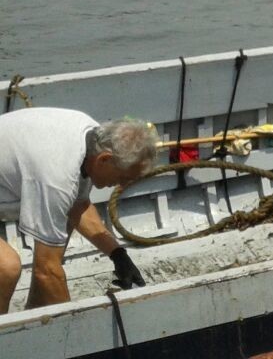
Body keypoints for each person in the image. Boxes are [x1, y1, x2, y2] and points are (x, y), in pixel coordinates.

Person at [0, 109, 156, 314]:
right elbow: (46, 271)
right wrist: (76, 329)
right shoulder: (57, 177)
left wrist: (118, 254)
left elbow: (77, 207)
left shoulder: (92, 136)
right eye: (123, 177)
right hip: (48, 171)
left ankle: (36, 314)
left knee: (55, 244)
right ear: (104, 159)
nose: (122, 185)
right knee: (6, 267)